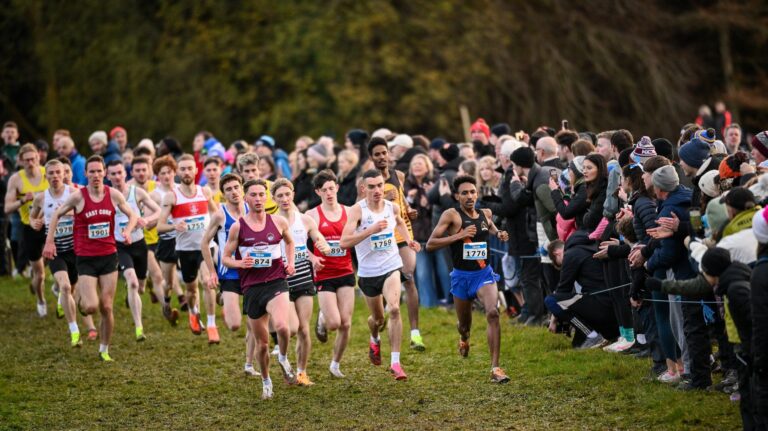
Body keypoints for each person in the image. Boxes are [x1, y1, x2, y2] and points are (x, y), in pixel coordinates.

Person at [43, 155, 138, 361]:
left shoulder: (113, 195)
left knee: (106, 306)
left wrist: (128, 231)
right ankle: (78, 300)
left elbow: (132, 215)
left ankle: (104, 350)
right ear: (85, 174)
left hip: (108, 256)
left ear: (104, 173)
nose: (96, 175)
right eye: (91, 171)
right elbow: (56, 215)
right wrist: (50, 242)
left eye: (99, 171)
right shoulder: (78, 196)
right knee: (92, 306)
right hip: (85, 259)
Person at [427, 175, 511, 383]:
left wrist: (498, 233)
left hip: (483, 274)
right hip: (461, 278)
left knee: (493, 313)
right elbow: (430, 244)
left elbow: (489, 225)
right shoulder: (451, 215)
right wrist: (458, 235)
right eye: (464, 193)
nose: (470, 196)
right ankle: (464, 339)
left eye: (473, 192)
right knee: (464, 325)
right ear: (457, 196)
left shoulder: (485, 213)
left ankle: (495, 368)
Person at [340, 169, 420, 381]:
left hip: (391, 265)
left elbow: (400, 221)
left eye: (380, 185)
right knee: (378, 319)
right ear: (363, 188)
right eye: (372, 186)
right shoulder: (357, 211)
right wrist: (370, 231)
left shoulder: (391, 207)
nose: (377, 190)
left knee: (394, 308)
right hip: (368, 273)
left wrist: (409, 240)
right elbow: (344, 242)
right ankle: (374, 338)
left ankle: (396, 363)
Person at [221, 178, 297, 399]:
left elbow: (290, 242)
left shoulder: (279, 222)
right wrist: (240, 263)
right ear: (246, 198)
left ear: (267, 197)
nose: (257, 199)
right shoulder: (238, 227)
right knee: (262, 345)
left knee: (283, 327)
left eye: (261, 194)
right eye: (253, 195)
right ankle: (266, 380)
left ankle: (282, 358)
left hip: (276, 281)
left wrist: (290, 263)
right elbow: (226, 258)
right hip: (252, 288)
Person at [368, 137, 425, 351]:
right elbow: (359, 206)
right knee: (385, 281)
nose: (382, 157)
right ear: (371, 158)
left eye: (384, 153)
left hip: (403, 233)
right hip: (382, 236)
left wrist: (409, 210)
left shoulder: (399, 175)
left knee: (408, 275)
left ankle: (415, 333)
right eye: (377, 154)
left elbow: (402, 201)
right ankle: (383, 314)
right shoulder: (366, 181)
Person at [272, 178, 331, 386]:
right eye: (280, 196)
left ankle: (301, 372)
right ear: (274, 199)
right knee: (293, 328)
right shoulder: (272, 222)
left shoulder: (305, 220)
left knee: (305, 329)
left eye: (287, 194)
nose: (285, 199)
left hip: (304, 277)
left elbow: (316, 237)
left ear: (293, 194)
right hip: (282, 280)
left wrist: (322, 247)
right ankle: (283, 359)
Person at [157, 154, 219, 343]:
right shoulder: (172, 196)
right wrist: (174, 226)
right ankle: (193, 312)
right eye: (182, 169)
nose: (186, 172)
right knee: (191, 290)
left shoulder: (205, 192)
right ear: (178, 172)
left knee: (208, 281)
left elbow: (216, 214)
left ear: (195, 170)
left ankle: (211, 324)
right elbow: (160, 226)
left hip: (206, 247)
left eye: (189, 168)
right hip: (185, 250)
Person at [201, 173, 258, 375]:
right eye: (229, 189)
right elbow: (204, 243)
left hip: (252, 271)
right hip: (229, 273)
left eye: (236, 187)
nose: (234, 192)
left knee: (254, 323)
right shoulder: (220, 215)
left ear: (242, 189)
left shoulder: (254, 209)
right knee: (234, 325)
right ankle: (224, 297)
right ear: (223, 194)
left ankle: (249, 364)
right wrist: (211, 272)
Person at [305, 170, 356, 378]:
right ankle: (323, 317)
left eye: (331, 188)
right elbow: (298, 243)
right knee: (334, 323)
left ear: (337, 187)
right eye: (324, 190)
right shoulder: (311, 215)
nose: (329, 193)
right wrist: (312, 258)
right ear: (318, 192)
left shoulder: (350, 211)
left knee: (346, 323)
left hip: (345, 271)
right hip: (324, 273)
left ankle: (335, 363)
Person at [106, 160, 160, 342]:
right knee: (133, 283)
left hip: (139, 244)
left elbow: (158, 211)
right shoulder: (107, 195)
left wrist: (147, 219)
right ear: (107, 176)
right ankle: (139, 328)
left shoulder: (136, 192)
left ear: (125, 173)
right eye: (112, 174)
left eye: (119, 172)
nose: (116, 177)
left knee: (141, 287)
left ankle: (134, 291)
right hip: (120, 246)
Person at [29, 160, 81, 346]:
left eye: (58, 172)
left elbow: (84, 213)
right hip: (55, 250)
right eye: (51, 173)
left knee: (72, 288)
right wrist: (33, 222)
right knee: (66, 287)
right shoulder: (41, 198)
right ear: (46, 176)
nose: (55, 176)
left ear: (64, 173)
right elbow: (32, 216)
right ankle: (74, 330)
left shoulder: (74, 194)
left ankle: (61, 296)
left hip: (75, 249)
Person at [5, 143, 49, 316]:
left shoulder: (49, 173)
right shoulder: (16, 179)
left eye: (33, 159)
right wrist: (23, 201)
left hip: (51, 223)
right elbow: (7, 208)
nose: (31, 163)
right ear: (21, 161)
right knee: (40, 273)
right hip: (30, 227)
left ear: (39, 158)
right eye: (27, 160)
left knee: (61, 262)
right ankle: (40, 299)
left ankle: (58, 289)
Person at [150, 156, 186, 317]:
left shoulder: (182, 189)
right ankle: (166, 301)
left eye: (169, 172)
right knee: (169, 282)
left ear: (174, 172)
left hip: (185, 238)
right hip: (167, 240)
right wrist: (165, 218)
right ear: (157, 175)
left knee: (193, 276)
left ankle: (193, 310)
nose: (166, 176)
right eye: (162, 173)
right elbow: (150, 224)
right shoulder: (154, 196)